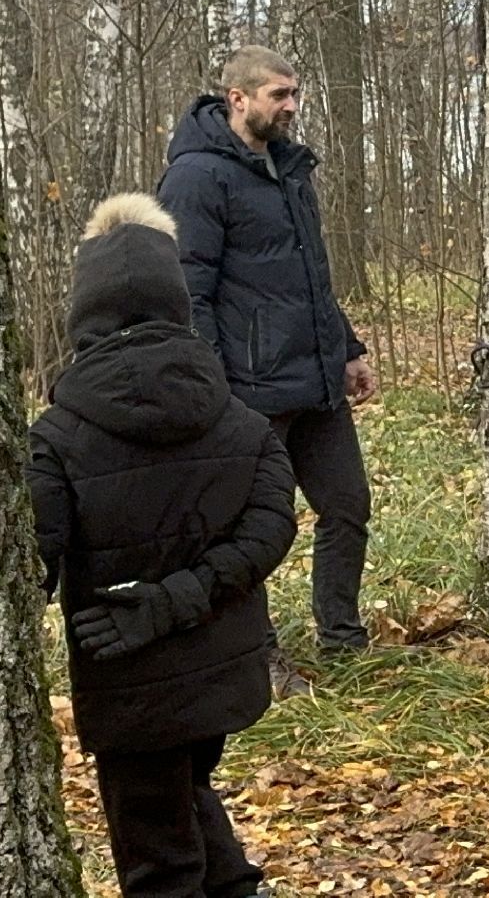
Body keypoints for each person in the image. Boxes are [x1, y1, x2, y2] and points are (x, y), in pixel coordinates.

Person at [29, 193, 296, 898]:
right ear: (177, 301)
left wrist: (160, 603)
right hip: (222, 683)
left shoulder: (54, 440)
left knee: (159, 869)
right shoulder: (242, 422)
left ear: (84, 311)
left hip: (130, 693)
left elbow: (29, 564)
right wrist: (191, 595)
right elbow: (271, 529)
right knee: (187, 790)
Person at [158, 45, 376, 697]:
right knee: (256, 530)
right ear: (238, 98)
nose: (290, 106)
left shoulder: (290, 169)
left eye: (294, 94)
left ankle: (342, 639)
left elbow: (310, 276)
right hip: (248, 391)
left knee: (347, 507)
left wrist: (349, 348)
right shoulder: (196, 177)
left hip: (314, 382)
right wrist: (212, 386)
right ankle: (260, 658)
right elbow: (187, 290)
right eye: (278, 95)